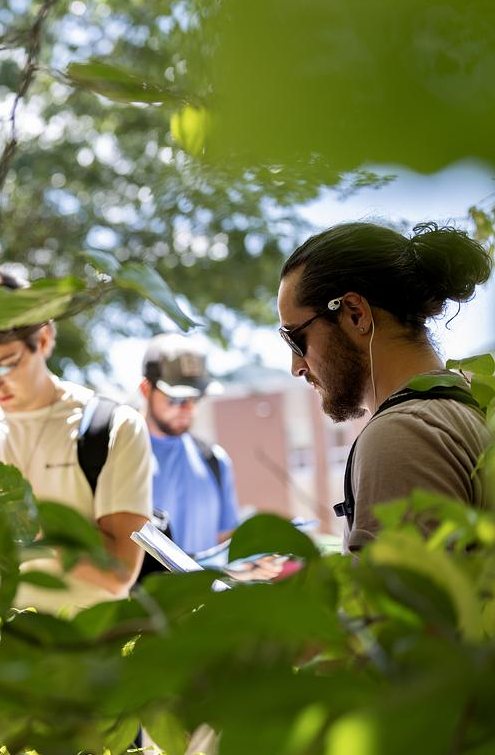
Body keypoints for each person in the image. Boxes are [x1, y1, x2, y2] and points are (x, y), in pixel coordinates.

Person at [0, 266, 154, 607]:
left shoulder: (113, 427)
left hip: (94, 651)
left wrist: (25, 525)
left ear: (45, 339)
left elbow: (119, 575)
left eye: (6, 364)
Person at [277, 221, 493, 552]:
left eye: (295, 339)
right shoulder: (469, 404)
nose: (297, 367)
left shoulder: (403, 435)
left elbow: (397, 604)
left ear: (355, 314)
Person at [139, 334, 240, 556]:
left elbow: (226, 542)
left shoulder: (214, 460)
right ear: (146, 389)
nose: (187, 408)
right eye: (175, 398)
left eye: (195, 397)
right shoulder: (119, 457)